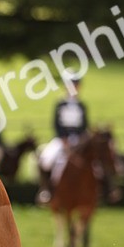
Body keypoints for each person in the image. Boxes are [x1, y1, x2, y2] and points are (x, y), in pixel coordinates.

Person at [37, 76, 88, 204]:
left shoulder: (82, 105)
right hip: (62, 139)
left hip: (78, 140)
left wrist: (80, 139)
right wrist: (64, 139)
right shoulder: (60, 103)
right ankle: (46, 190)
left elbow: (84, 125)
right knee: (46, 159)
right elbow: (56, 123)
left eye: (76, 85)